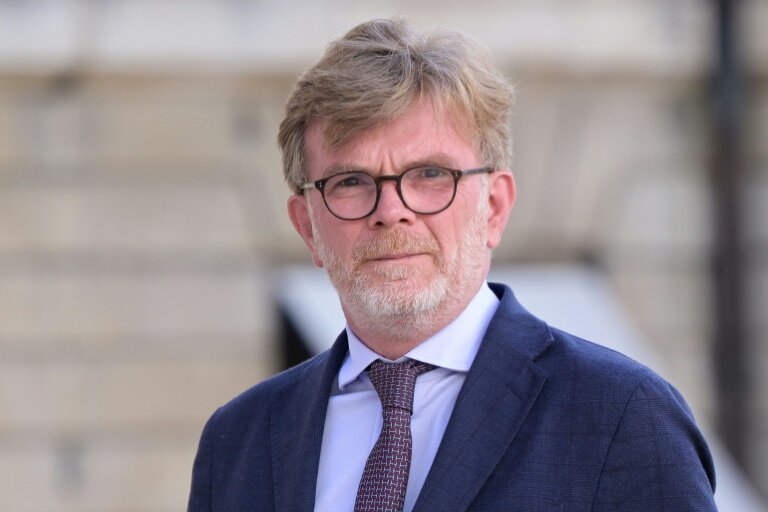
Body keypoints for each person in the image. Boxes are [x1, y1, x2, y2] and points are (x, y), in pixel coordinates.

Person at [188, 17, 717, 512]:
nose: (391, 211)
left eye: (430, 175)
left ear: (494, 206)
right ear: (308, 227)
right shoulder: (238, 441)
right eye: (350, 182)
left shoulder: (621, 416)